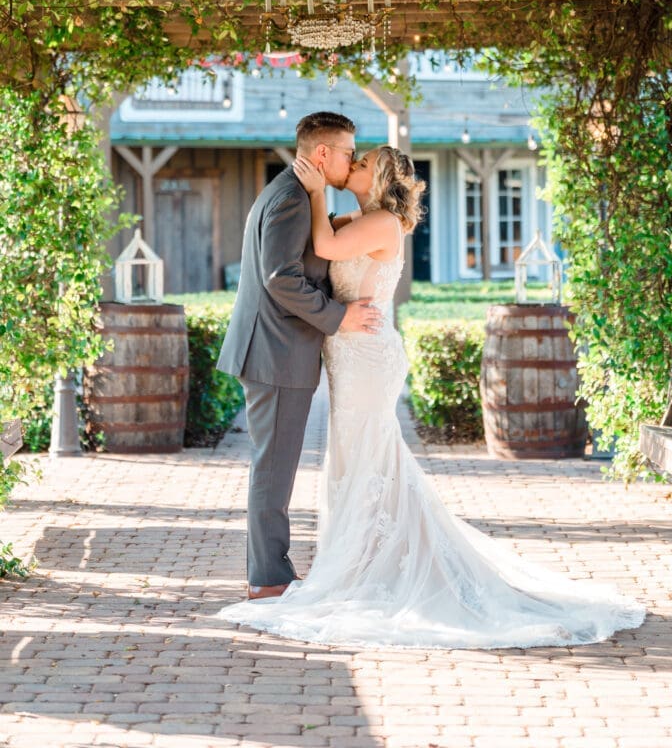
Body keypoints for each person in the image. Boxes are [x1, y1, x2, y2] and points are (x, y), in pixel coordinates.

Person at [218, 144, 645, 648]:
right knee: (356, 458)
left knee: (368, 456)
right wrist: (316, 202)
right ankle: (364, 562)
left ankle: (373, 569)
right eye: (351, 160)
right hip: (347, 352)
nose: (351, 168)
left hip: (367, 356)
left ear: (379, 178)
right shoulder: (361, 214)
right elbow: (322, 244)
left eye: (361, 164)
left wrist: (313, 192)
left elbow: (328, 248)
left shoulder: (383, 223)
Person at [216, 112, 382, 601]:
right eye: (349, 152)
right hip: (276, 352)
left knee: (275, 465)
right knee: (274, 468)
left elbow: (314, 249)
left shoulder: (294, 192)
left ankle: (270, 570)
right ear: (323, 153)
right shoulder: (290, 198)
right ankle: (269, 577)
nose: (352, 159)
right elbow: (281, 277)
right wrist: (339, 316)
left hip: (274, 349)